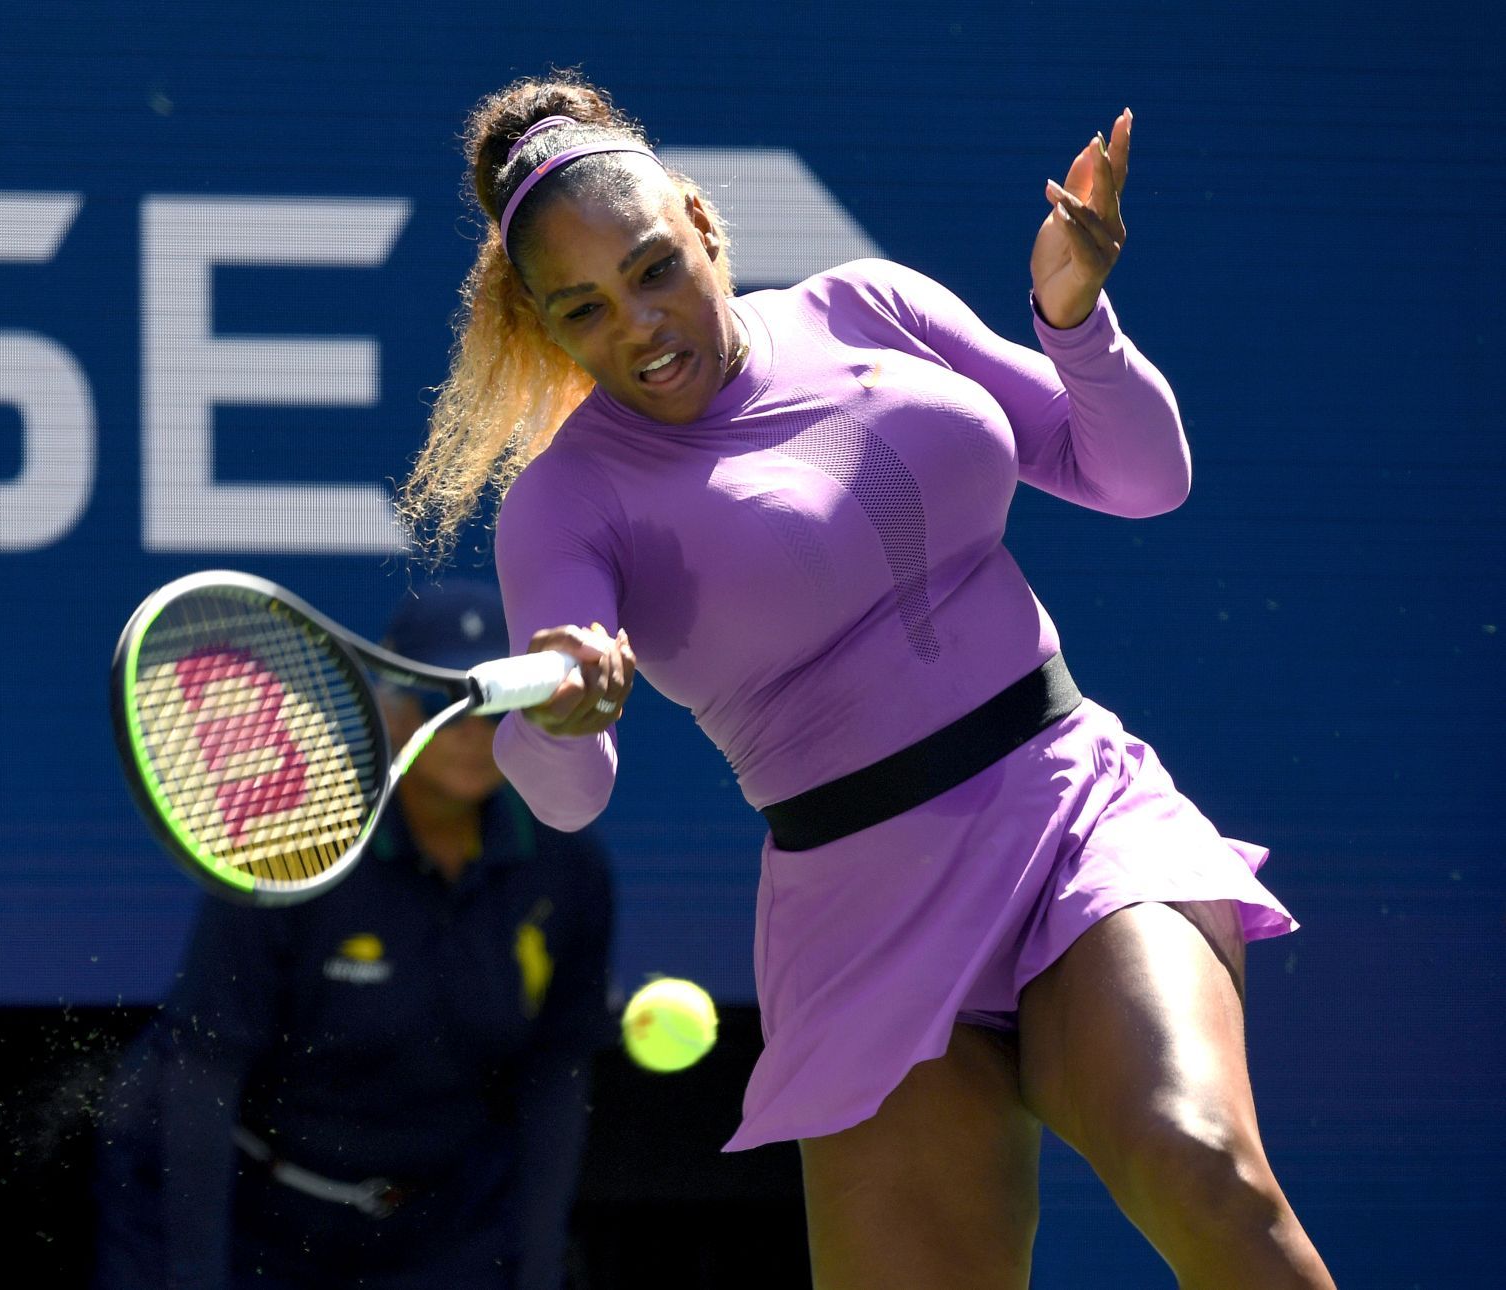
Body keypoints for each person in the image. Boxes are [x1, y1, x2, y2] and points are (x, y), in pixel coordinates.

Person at [398, 75, 1336, 1288]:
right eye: (582, 310)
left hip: (1070, 812)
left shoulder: (868, 305)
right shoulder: (564, 504)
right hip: (860, 920)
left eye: (650, 269)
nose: (635, 323)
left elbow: (1140, 477)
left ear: (700, 223)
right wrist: (567, 715)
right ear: (546, 328)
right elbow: (564, 795)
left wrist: (1075, 322)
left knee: (1203, 1165)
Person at [91, 579, 615, 1290]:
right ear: (391, 708)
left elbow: (554, 1076)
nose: (467, 731)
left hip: (446, 1231)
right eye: (439, 702)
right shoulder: (294, 847)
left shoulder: (567, 869)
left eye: (492, 713)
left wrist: (538, 1270)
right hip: (255, 1225)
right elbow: (203, 1072)